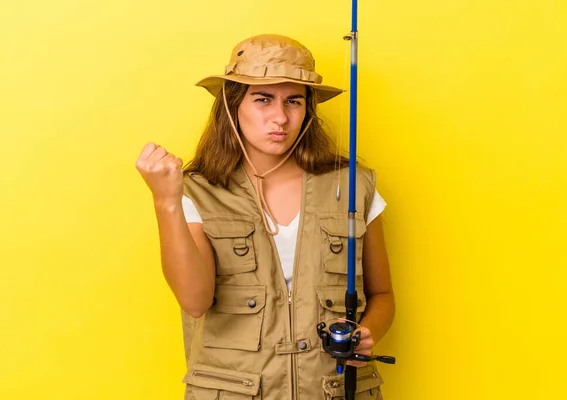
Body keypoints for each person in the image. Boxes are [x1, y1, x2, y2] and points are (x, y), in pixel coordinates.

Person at [136, 33, 395, 399]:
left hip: (334, 390)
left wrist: (369, 332)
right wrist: (166, 201)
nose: (280, 117)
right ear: (232, 105)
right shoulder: (197, 190)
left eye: (294, 101)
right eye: (263, 99)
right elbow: (195, 301)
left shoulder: (354, 186)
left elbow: (382, 294)